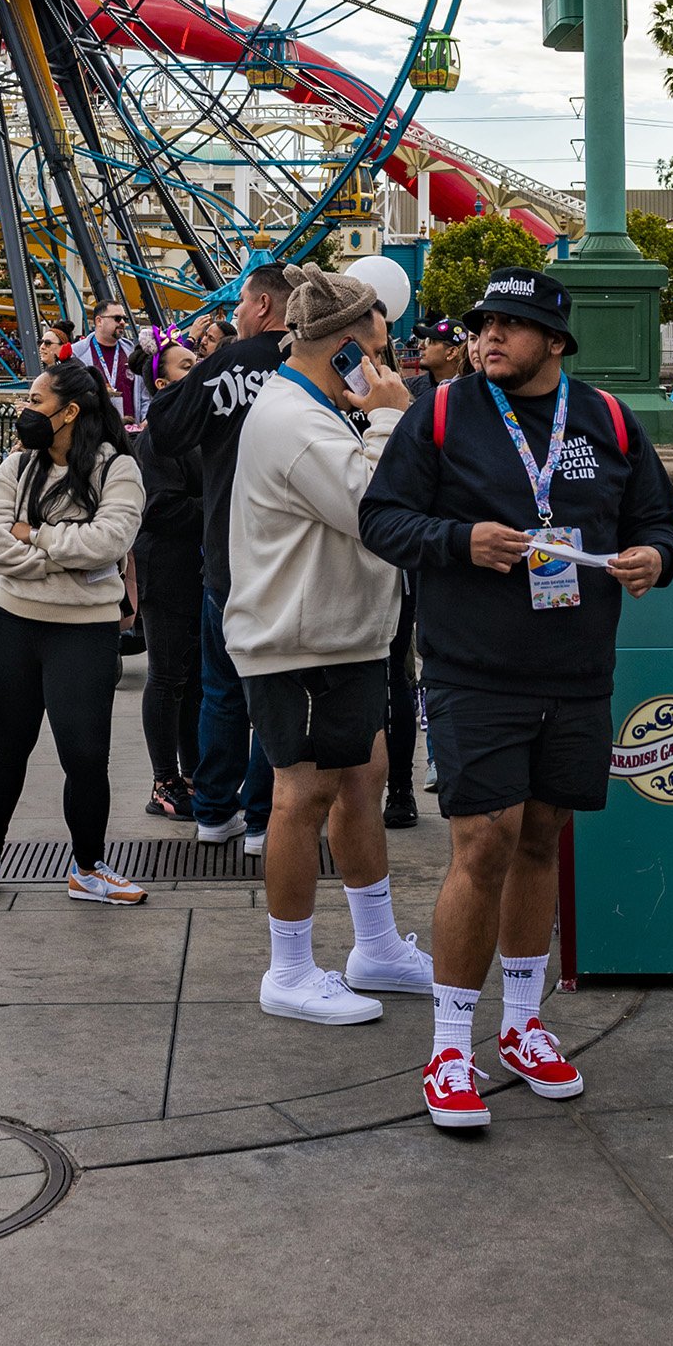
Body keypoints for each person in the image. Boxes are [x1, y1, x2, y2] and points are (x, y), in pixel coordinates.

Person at [360, 268, 673, 1132]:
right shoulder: (440, 413)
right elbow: (382, 520)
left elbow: (657, 521)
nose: (488, 336)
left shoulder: (607, 421)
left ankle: (523, 1026)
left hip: (577, 671)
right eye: (482, 325)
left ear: (556, 341)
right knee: (483, 843)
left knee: (542, 838)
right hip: (472, 669)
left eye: (510, 324)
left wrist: (657, 559)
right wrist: (462, 540)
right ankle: (450, 1047)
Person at [223, 264, 429, 1021]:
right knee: (301, 792)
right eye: (380, 338)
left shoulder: (315, 405)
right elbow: (371, 504)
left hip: (338, 636)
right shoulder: (293, 420)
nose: (389, 350)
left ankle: (375, 946)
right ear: (348, 343)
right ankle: (288, 967)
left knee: (361, 776)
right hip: (299, 639)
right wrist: (390, 414)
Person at [0, 357, 147, 906]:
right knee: (6, 749)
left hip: (84, 633)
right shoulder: (17, 464)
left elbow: (108, 543)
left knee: (85, 756)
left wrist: (35, 537)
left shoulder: (117, 470)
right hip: (12, 625)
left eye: (36, 401)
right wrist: (57, 554)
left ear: (69, 413)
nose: (25, 410)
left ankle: (88, 868)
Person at [145, 263, 293, 853]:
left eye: (239, 303)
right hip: (293, 553)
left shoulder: (231, 363)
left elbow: (163, 427)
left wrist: (213, 365)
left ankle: (214, 809)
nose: (232, 312)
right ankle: (263, 817)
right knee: (278, 692)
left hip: (230, 550)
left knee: (223, 687)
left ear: (260, 306)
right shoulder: (325, 362)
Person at [134, 336, 204, 819]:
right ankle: (164, 780)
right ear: (161, 383)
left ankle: (194, 774)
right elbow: (159, 508)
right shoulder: (157, 435)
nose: (196, 369)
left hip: (201, 568)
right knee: (167, 676)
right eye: (186, 366)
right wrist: (221, 506)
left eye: (198, 361)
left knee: (196, 679)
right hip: (167, 567)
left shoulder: (198, 425)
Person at [73, 296, 146, 432]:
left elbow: (144, 393)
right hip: (96, 432)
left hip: (130, 431)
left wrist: (145, 419)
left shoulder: (131, 352)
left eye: (125, 319)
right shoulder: (78, 353)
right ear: (99, 321)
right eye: (117, 318)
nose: (123, 322)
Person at [408, 316, 467, 401]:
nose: (420, 346)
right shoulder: (408, 389)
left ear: (451, 352)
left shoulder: (474, 392)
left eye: (429, 341)